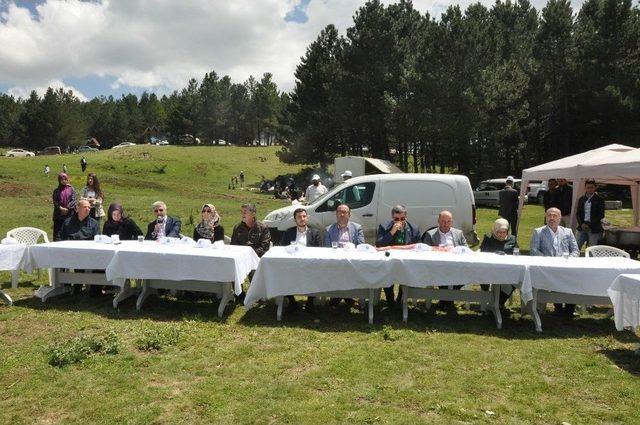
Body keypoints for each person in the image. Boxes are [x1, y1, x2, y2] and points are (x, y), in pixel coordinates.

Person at [530, 207, 580, 317]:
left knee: (574, 279)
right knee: (555, 279)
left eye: (555, 215)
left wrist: (569, 260)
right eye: (549, 215)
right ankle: (558, 307)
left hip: (566, 266)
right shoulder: (539, 232)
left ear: (560, 218)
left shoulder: (568, 232)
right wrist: (548, 260)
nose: (552, 218)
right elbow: (534, 251)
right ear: (546, 217)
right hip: (548, 267)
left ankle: (569, 309)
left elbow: (576, 250)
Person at [422, 210, 468, 310]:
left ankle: (445, 299)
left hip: (457, 265)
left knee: (465, 274)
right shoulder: (430, 234)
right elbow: (425, 252)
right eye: (443, 221)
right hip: (438, 266)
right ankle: (448, 300)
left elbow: (466, 249)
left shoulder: (458, 233)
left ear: (452, 222)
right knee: (440, 275)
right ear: (438, 221)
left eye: (448, 221)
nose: (446, 224)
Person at [376, 205, 421, 306]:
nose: (399, 221)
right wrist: (392, 232)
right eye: (396, 219)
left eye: (402, 218)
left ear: (406, 216)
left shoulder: (414, 228)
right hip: (390, 259)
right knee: (386, 275)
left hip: (406, 259)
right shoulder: (384, 226)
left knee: (405, 277)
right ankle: (390, 299)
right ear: (392, 217)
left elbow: (419, 246)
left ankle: (400, 298)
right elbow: (379, 244)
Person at [280, 208, 321, 312]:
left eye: (304, 216)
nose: (302, 219)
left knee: (315, 274)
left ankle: (310, 302)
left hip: (310, 265)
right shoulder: (289, 232)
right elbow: (282, 249)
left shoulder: (315, 233)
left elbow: (320, 251)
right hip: (291, 265)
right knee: (282, 274)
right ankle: (292, 302)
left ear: (307, 218)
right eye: (299, 217)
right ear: (294, 220)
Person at [231, 203, 271, 302]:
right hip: (240, 259)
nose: (242, 214)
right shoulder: (237, 228)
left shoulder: (262, 228)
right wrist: (242, 257)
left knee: (254, 271)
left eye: (245, 212)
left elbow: (265, 247)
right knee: (232, 268)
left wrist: (250, 256)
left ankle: (257, 294)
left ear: (253, 214)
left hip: (256, 258)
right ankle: (239, 295)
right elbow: (233, 246)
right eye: (242, 212)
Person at [479, 218, 519, 309]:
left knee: (515, 280)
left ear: (507, 231)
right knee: (482, 277)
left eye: (504, 232)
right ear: (494, 230)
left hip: (507, 269)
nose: (501, 234)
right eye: (499, 232)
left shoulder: (512, 239)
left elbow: (517, 253)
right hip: (489, 268)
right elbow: (483, 253)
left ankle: (499, 302)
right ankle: (489, 298)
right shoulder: (488, 238)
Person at [576, 180, 605, 250]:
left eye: (592, 187)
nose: (590, 189)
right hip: (582, 226)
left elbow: (601, 215)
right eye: (588, 187)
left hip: (594, 227)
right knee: (577, 246)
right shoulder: (581, 199)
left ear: (595, 188)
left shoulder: (599, 199)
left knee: (592, 248)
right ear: (585, 188)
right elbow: (578, 213)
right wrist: (582, 224)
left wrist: (589, 225)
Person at [52, 172, 77, 241]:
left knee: (69, 233)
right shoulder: (56, 191)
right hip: (58, 215)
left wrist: (67, 209)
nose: (64, 181)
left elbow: (74, 200)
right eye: (62, 179)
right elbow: (55, 202)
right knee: (58, 234)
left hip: (70, 215)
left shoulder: (71, 189)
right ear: (59, 180)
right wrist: (61, 208)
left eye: (65, 179)